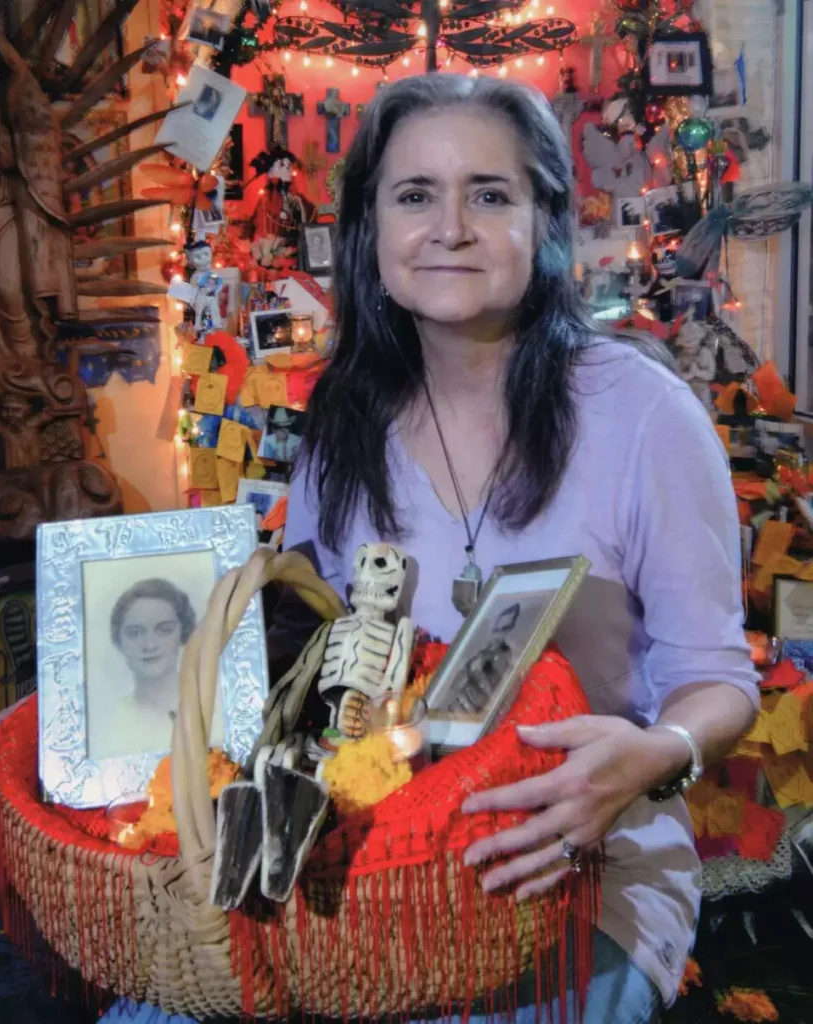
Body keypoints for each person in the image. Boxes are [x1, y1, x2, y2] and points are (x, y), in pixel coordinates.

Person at [106, 73, 758, 1024]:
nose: (449, 227)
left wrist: (652, 755)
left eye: (489, 194)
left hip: (570, 861)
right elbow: (313, 667)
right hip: (372, 857)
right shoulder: (343, 423)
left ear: (542, 222)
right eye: (414, 194)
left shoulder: (642, 413)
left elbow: (719, 682)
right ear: (369, 233)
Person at [90, 578, 196, 760]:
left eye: (164, 630)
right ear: (119, 641)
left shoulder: (209, 706)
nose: (149, 645)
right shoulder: (108, 723)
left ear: (183, 633)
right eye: (134, 633)